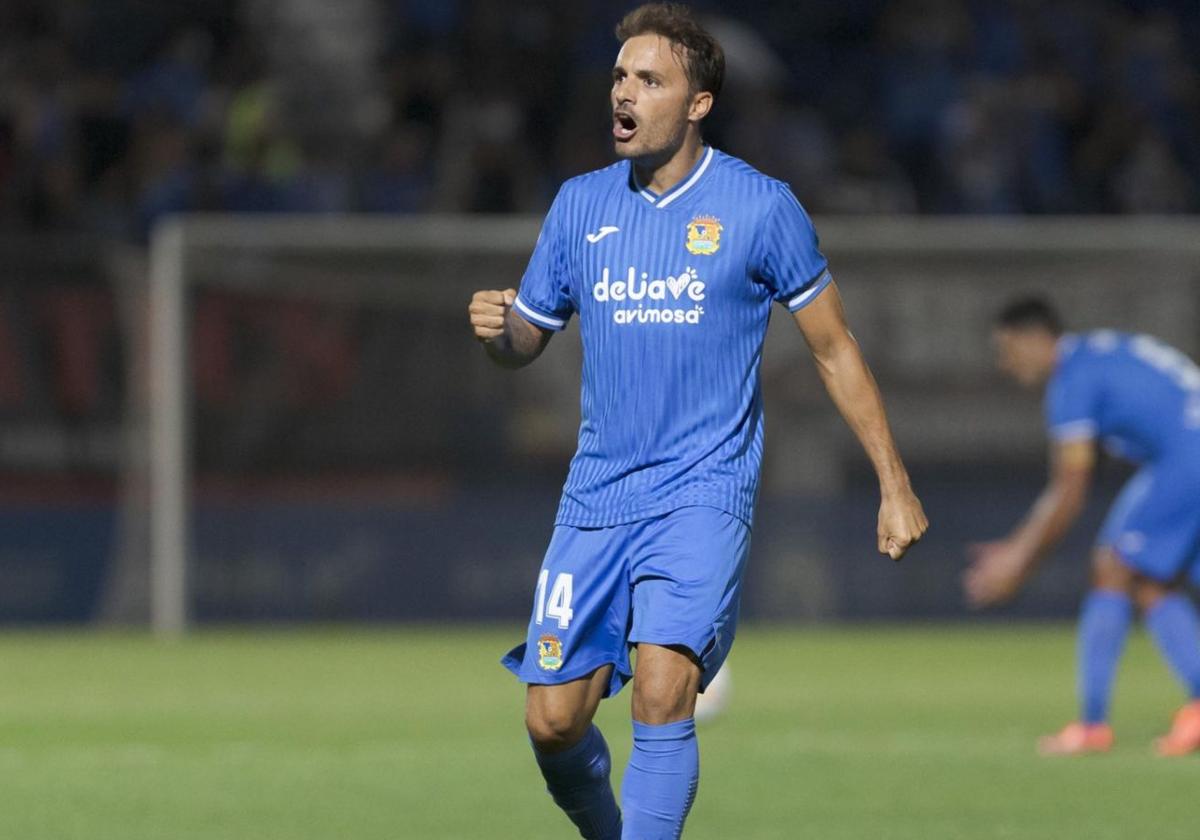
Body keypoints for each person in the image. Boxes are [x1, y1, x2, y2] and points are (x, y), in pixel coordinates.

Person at [467, 5, 927, 836]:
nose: (625, 94)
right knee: (552, 721)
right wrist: (501, 332)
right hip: (596, 497)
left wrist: (894, 484)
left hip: (703, 494)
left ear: (698, 102)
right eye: (618, 77)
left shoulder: (760, 207)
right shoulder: (578, 207)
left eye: (650, 80)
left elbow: (834, 350)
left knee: (661, 688)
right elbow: (526, 340)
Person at [965, 296, 1200, 757]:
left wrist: (1020, 560)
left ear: (1035, 340)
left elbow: (1069, 491)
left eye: (1007, 349)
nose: (1006, 365)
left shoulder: (1072, 381)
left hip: (1187, 459)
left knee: (1113, 565)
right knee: (1152, 582)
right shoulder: (1100, 352)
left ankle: (1092, 725)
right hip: (1186, 453)